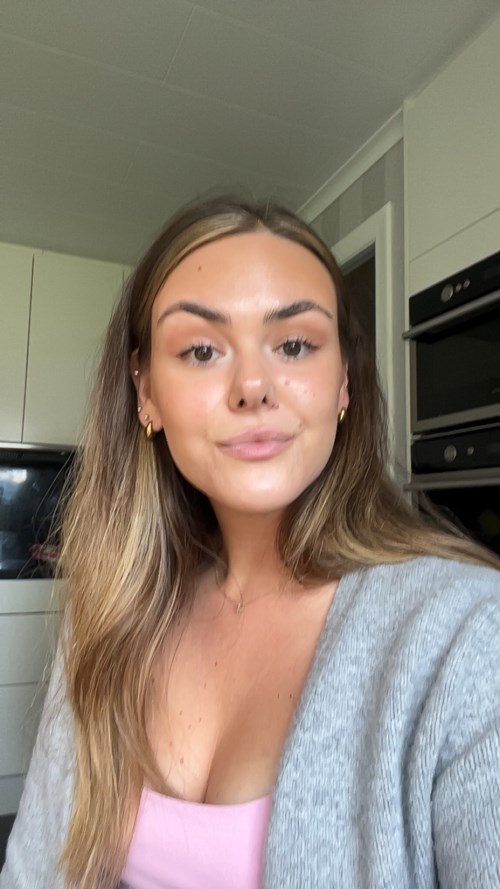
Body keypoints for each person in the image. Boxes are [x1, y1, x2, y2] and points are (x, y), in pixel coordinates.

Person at [1, 194, 499, 889]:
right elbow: (35, 869)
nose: (254, 387)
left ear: (344, 380)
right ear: (145, 391)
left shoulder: (469, 637)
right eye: (201, 350)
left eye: (294, 344)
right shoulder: (109, 613)